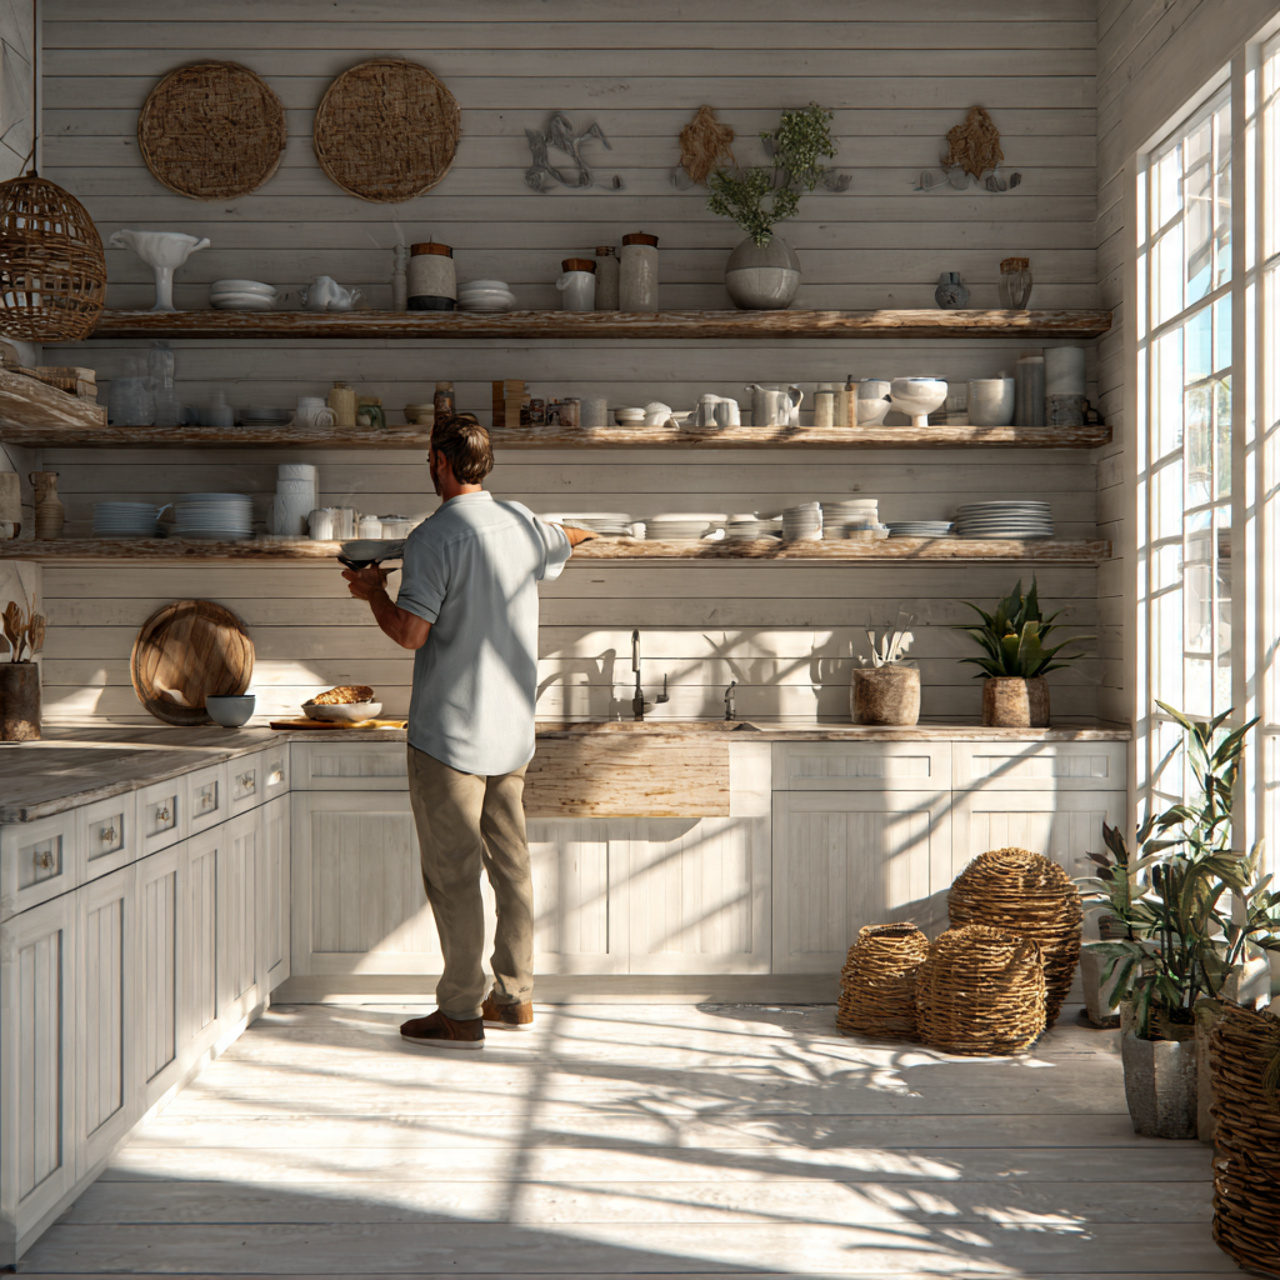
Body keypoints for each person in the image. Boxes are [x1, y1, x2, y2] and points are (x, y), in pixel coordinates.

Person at [342, 415, 593, 1049]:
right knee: (511, 868)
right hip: (511, 731)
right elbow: (576, 535)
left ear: (438, 462)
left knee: (453, 877)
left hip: (449, 737)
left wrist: (374, 589)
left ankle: (459, 1010)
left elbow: (410, 633)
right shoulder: (524, 523)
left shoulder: (431, 539)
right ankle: (515, 997)